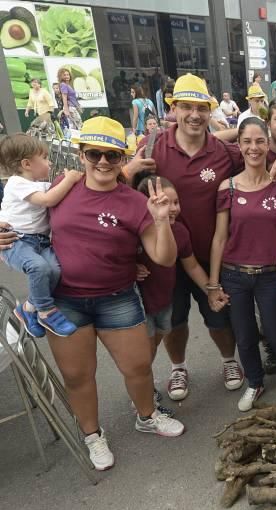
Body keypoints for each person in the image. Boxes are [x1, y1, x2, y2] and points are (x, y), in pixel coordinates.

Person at [124, 74, 276, 401]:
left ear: (209, 110)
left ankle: (229, 362)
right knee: (173, 321)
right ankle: (178, 367)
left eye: (201, 107)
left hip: (212, 257)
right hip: (165, 257)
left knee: (220, 316)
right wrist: (126, 173)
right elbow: (124, 201)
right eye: (186, 107)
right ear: (173, 109)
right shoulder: (153, 147)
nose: (194, 114)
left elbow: (255, 154)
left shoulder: (222, 152)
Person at [44, 118, 184, 470]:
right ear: (81, 154)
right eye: (94, 154)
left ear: (123, 158)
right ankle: (92, 435)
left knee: (137, 367)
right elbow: (26, 220)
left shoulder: (135, 202)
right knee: (78, 375)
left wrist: (162, 220)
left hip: (116, 298)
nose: (103, 162)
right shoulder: (63, 186)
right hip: (64, 300)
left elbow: (164, 257)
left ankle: (147, 416)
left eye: (112, 155)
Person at [208, 119, 276, 411]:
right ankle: (254, 382)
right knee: (244, 335)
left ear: (268, 143)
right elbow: (220, 237)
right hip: (235, 275)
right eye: (246, 141)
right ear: (239, 145)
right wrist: (213, 284)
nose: (253, 147)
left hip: (272, 275)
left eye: (260, 141)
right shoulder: (228, 187)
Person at [134, 175, 209, 412]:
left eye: (175, 202)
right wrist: (130, 267)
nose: (172, 208)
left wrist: (212, 291)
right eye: (165, 202)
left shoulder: (180, 231)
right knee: (142, 355)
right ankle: (142, 401)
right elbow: (111, 254)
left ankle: (144, 389)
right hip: (138, 305)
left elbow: (192, 265)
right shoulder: (135, 229)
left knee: (153, 348)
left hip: (163, 301)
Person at [0, 135, 83, 337]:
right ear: (27, 164)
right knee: (39, 267)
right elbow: (48, 199)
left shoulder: (40, 184)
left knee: (54, 270)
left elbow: (54, 191)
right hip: (17, 240)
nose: (50, 162)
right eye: (45, 158)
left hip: (41, 242)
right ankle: (46, 311)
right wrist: (70, 178)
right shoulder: (16, 183)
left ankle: (28, 308)